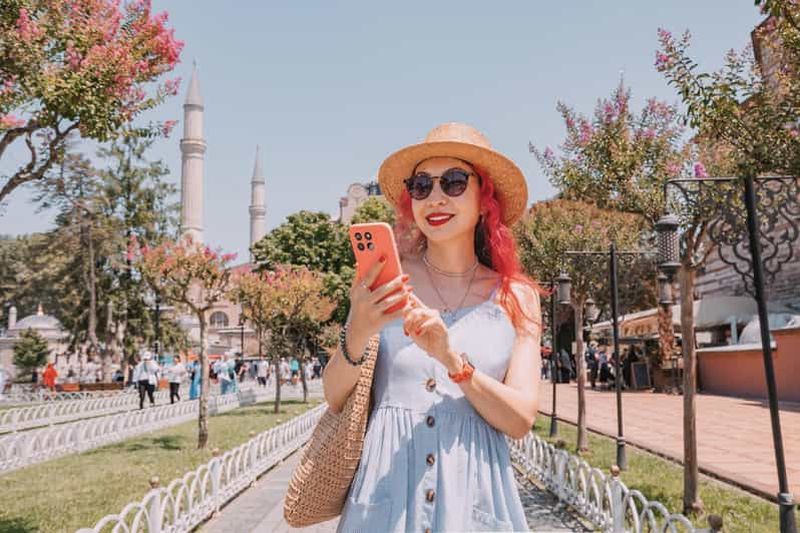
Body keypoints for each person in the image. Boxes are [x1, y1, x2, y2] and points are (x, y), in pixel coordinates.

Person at [322, 123, 541, 531]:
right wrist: (359, 327)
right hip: (385, 503)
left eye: (454, 182)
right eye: (421, 185)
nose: (435, 198)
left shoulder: (517, 296)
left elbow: (520, 420)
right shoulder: (387, 282)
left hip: (473, 500)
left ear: (485, 197)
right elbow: (333, 394)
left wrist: (451, 359)